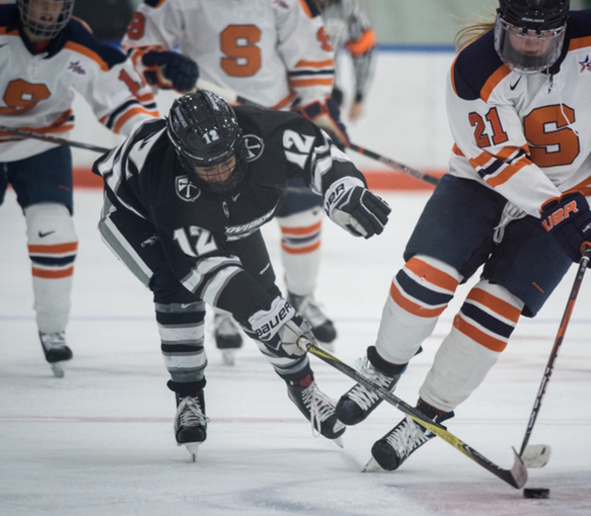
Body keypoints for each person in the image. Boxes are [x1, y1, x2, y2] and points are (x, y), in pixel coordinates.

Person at [333, 0, 591, 471]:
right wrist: (562, 211)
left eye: (542, 33)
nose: (531, 43)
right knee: (423, 281)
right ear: (503, 19)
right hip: (482, 183)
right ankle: (382, 368)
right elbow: (500, 162)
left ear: (563, 24)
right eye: (520, 30)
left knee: (496, 308)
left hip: (571, 191)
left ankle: (427, 415)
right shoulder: (474, 69)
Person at [93, 89, 390, 458]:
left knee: (266, 296)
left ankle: (304, 389)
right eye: (206, 165)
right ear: (184, 157)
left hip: (218, 216)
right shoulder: (170, 186)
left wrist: (344, 190)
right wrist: (259, 312)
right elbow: (201, 268)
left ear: (239, 140)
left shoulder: (264, 131)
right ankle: (188, 395)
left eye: (225, 159)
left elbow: (317, 150)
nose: (219, 173)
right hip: (137, 215)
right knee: (177, 289)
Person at [121, 0, 350, 363]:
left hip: (271, 130)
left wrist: (318, 113)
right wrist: (163, 63)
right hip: (205, 141)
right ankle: (229, 310)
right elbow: (131, 57)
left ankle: (301, 299)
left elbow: (312, 66)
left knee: (302, 215)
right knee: (224, 228)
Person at [0, 0, 159, 377]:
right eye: (39, 0)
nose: (48, 11)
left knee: (55, 233)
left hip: (41, 149)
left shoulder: (81, 44)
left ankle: (53, 330)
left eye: (56, 2)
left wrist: (147, 135)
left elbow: (118, 99)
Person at [305, 0, 376, 121]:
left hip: (328, 91)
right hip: (290, 90)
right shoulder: (293, 2)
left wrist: (359, 96)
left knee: (329, 145)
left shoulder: (348, 9)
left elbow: (364, 51)